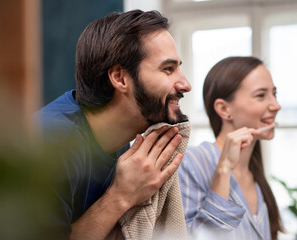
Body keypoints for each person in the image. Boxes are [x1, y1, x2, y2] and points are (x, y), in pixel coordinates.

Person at [35, 9, 191, 239]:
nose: (185, 84)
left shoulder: (122, 145)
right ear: (119, 78)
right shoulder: (49, 142)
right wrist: (120, 195)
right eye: (168, 69)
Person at [178, 56, 283, 240]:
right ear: (224, 109)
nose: (276, 105)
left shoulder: (254, 174)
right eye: (261, 95)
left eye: (274, 94)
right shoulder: (190, 163)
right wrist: (224, 169)